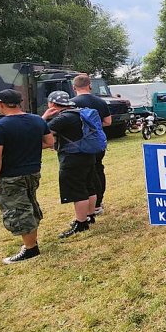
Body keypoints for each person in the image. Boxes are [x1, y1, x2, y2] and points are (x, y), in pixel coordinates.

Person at [0, 89, 54, 264]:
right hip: (33, 173)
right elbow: (49, 142)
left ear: (0, 104)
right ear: (19, 103)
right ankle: (31, 242)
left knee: (19, 212)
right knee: (30, 206)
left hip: (10, 177)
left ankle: (31, 250)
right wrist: (28, 146)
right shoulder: (37, 120)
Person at [41, 91, 97, 239]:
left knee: (77, 190)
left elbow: (41, 132)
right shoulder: (78, 113)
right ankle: (90, 216)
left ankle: (81, 223)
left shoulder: (62, 118)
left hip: (72, 158)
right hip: (88, 154)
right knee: (89, 186)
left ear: (52, 104)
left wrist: (44, 117)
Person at [70, 73, 110, 217]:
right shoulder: (100, 102)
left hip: (80, 145)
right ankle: (98, 203)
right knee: (98, 170)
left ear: (74, 87)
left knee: (84, 174)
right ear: (90, 86)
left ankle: (86, 206)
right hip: (98, 143)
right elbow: (108, 122)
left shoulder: (71, 103)